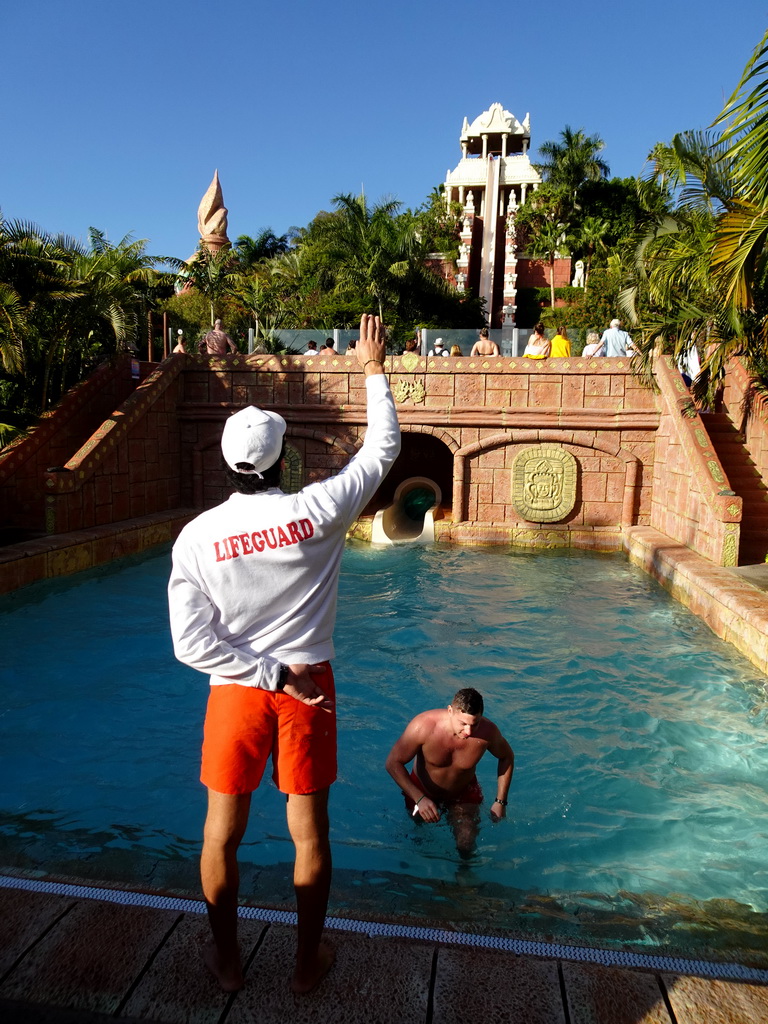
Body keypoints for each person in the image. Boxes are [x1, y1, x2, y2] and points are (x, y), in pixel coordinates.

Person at [168, 314, 400, 994]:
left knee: (220, 835)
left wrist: (263, 671)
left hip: (236, 690)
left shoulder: (197, 537)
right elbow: (382, 449)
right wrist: (373, 367)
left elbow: (191, 643)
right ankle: (305, 965)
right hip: (310, 685)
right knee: (309, 836)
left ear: (225, 460)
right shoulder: (319, 509)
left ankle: (229, 961)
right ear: (279, 459)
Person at [385, 688, 514, 856]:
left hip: (463, 793)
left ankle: (465, 877)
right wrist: (419, 798)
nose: (468, 732)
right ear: (450, 711)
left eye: (475, 724)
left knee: (466, 844)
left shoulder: (488, 733)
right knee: (418, 839)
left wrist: (500, 801)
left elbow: (507, 757)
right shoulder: (423, 726)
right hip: (422, 789)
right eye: (463, 724)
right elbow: (393, 763)